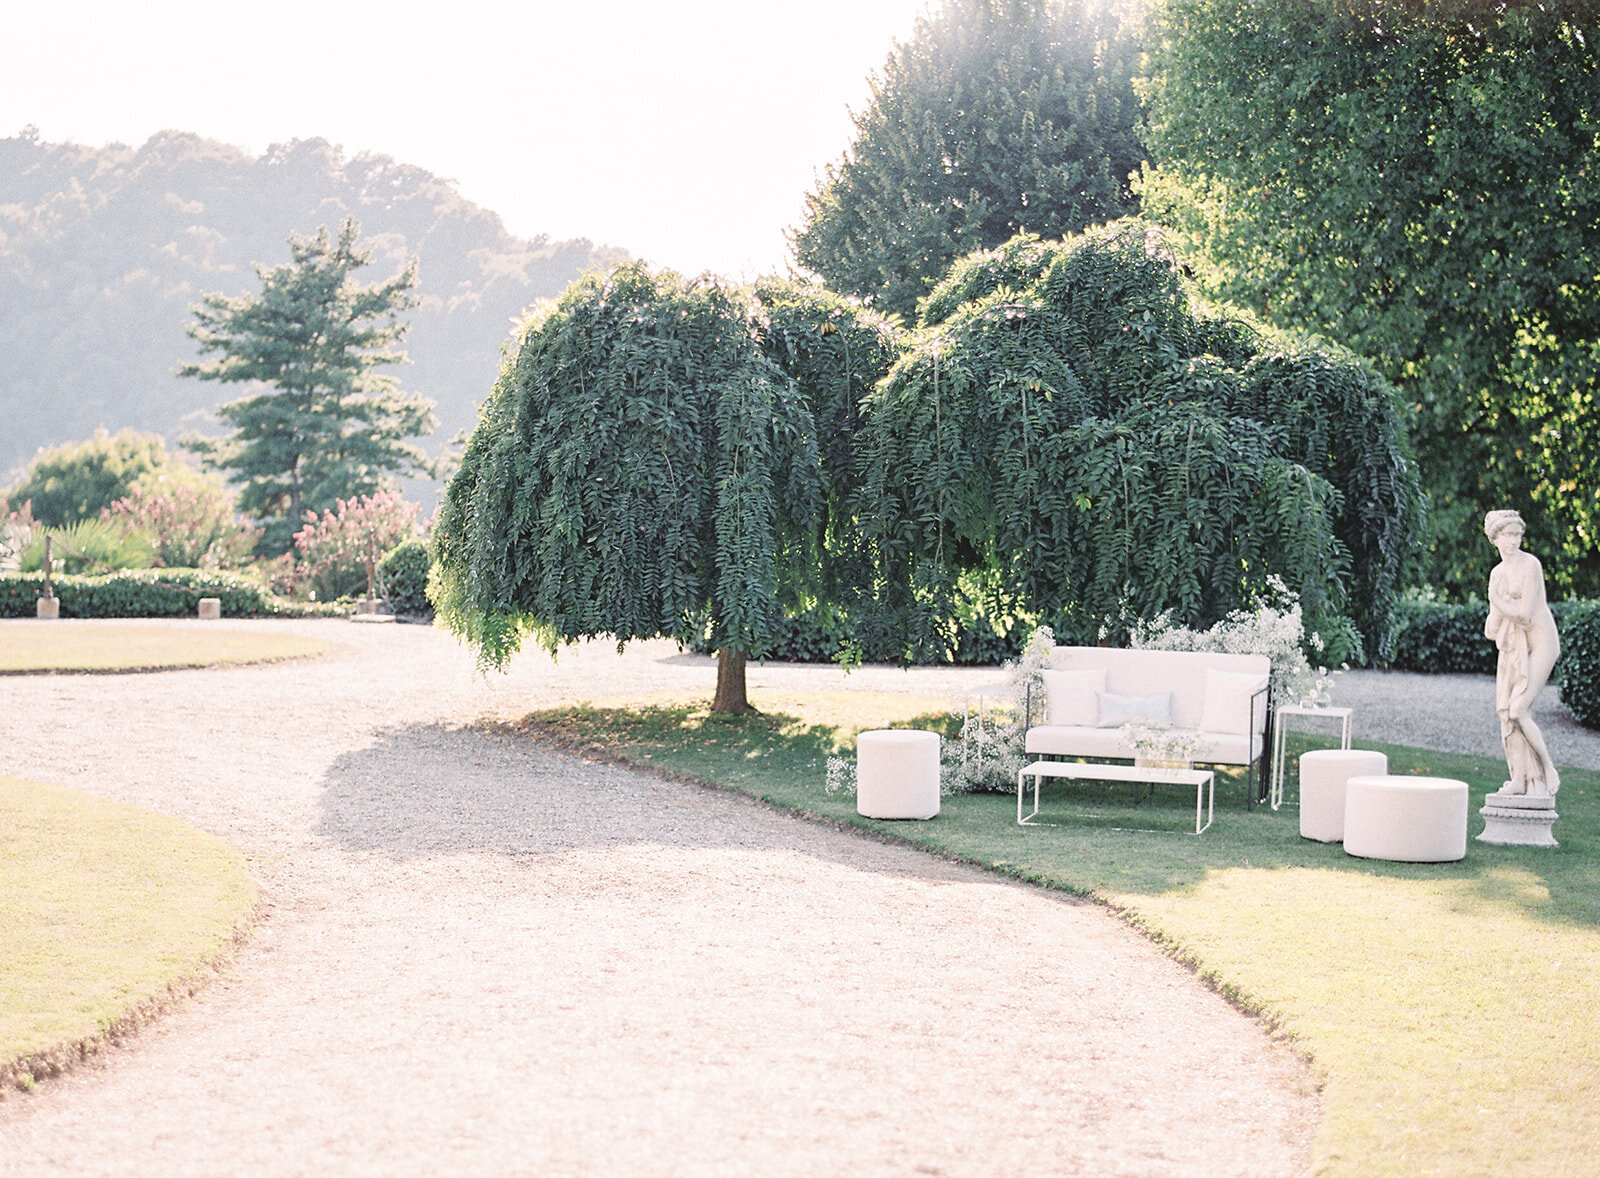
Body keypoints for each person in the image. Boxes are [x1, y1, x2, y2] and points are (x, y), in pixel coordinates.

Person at [1483, 509, 1560, 796]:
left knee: (1519, 708)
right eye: (1508, 535)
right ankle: (1519, 780)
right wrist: (1495, 609)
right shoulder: (1497, 574)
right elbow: (1492, 628)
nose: (1514, 541)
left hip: (1542, 644)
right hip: (1517, 647)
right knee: (1508, 714)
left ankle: (1547, 769)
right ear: (1495, 538)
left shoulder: (1531, 565)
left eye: (1517, 535)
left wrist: (1497, 600)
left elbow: (1526, 616)